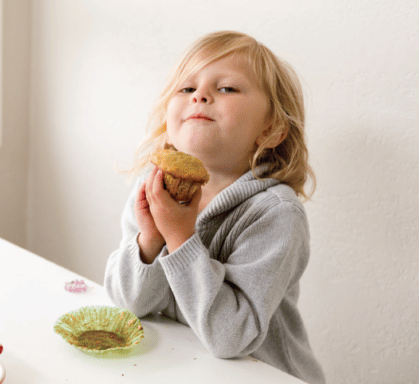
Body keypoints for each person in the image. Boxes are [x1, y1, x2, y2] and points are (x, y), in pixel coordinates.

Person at [104, 31, 325, 384]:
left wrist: (179, 238)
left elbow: (232, 337)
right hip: (186, 367)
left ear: (271, 130)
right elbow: (130, 304)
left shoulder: (275, 213)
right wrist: (149, 240)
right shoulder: (154, 185)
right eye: (187, 88)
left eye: (227, 89)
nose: (201, 95)